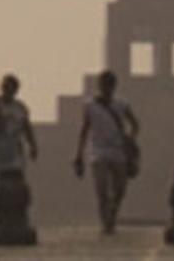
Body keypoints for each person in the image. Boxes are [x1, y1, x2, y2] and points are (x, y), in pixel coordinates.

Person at [73, 70, 139, 234]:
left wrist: (130, 139)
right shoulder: (90, 106)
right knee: (101, 188)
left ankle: (112, 214)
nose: (106, 88)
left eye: (109, 85)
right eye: (104, 85)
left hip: (118, 150)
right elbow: (85, 130)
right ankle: (106, 222)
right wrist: (79, 153)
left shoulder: (122, 104)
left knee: (120, 188)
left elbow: (135, 124)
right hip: (98, 151)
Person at [0, 74, 38, 201]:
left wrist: (33, 145)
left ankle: (14, 207)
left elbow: (26, 127)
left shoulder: (20, 107)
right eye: (5, 87)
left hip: (14, 150)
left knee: (15, 179)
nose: (8, 90)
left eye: (11, 88)